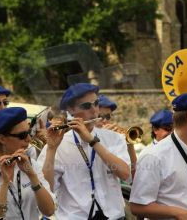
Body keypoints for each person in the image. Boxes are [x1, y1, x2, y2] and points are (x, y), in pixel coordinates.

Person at [38, 83, 130, 220]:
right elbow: (46, 188)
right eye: (87, 106)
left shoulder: (114, 138)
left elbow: (125, 174)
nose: (94, 110)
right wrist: (51, 149)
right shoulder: (59, 144)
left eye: (96, 103)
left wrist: (92, 141)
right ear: (71, 110)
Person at [0, 107, 55, 219]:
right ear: (2, 139)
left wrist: (32, 176)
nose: (29, 139)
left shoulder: (31, 164)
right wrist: (5, 184)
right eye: (22, 135)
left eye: (29, 132)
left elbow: (49, 210)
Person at [96, 94, 137, 179]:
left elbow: (131, 176)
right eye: (99, 117)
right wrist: (102, 138)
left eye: (107, 117)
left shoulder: (117, 138)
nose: (104, 120)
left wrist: (130, 146)